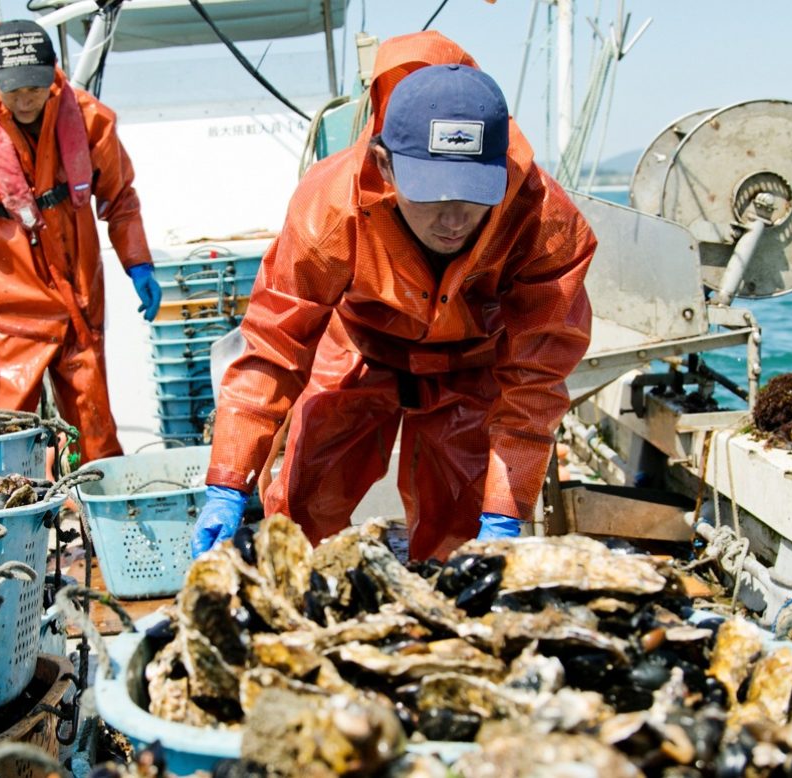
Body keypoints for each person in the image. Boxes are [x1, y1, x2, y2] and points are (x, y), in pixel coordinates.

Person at [190, 32, 596, 562]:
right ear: (385, 165)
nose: (452, 219)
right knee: (301, 507)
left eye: (473, 195)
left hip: (473, 363)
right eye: (430, 192)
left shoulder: (548, 223)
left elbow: (535, 378)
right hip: (360, 347)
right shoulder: (327, 208)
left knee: (464, 542)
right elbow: (273, 348)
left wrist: (505, 507)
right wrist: (227, 479)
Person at [0, 19, 160, 462]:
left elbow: (120, 198)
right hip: (10, 315)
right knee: (5, 436)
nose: (26, 98)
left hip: (81, 307)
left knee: (95, 435)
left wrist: (138, 263)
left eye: (35, 86)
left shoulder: (92, 121)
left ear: (53, 73)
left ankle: (92, 521)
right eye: (14, 89)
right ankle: (13, 523)